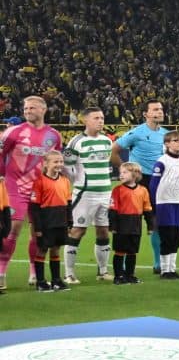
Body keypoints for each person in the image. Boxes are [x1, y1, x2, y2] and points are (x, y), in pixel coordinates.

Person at [2, 95, 63, 294]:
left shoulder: (54, 135)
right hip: (15, 186)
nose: (27, 111)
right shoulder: (13, 132)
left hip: (40, 189)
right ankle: (1, 271)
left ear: (43, 110)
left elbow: (56, 160)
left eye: (32, 108)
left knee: (39, 232)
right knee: (12, 229)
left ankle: (34, 271)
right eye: (26, 108)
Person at [63, 107, 117, 285]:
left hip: (105, 192)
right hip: (85, 194)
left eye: (102, 118)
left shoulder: (107, 141)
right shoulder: (76, 142)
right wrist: (78, 182)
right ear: (85, 120)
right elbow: (66, 167)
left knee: (103, 230)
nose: (100, 121)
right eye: (96, 118)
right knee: (78, 230)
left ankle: (103, 271)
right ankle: (69, 274)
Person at [114, 100, 169, 272]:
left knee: (156, 222)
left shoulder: (166, 134)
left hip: (159, 181)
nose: (160, 112)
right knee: (131, 221)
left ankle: (158, 263)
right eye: (155, 109)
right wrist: (126, 171)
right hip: (140, 180)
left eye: (161, 109)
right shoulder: (136, 133)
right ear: (145, 114)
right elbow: (113, 150)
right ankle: (123, 264)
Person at [149, 130, 179, 278]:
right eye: (176, 140)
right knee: (167, 236)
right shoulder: (162, 161)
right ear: (167, 144)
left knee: (176, 237)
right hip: (164, 203)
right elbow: (153, 185)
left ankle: (172, 269)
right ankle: (164, 270)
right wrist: (154, 207)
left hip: (178, 202)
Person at [31, 149, 74, 292]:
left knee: (56, 249)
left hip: (60, 220)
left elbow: (68, 203)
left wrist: (70, 221)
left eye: (61, 161)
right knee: (42, 249)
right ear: (46, 164)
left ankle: (56, 280)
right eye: (55, 162)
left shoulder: (65, 181)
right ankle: (41, 282)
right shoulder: (39, 182)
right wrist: (38, 228)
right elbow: (34, 207)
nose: (59, 164)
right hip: (46, 220)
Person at [108, 162, 154, 285]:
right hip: (121, 224)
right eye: (120, 172)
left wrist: (150, 226)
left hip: (136, 224)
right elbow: (113, 209)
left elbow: (147, 209)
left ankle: (130, 275)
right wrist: (113, 225)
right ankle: (118, 276)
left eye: (125, 172)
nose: (121, 175)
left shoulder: (143, 190)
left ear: (135, 174)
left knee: (132, 251)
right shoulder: (117, 190)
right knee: (120, 251)